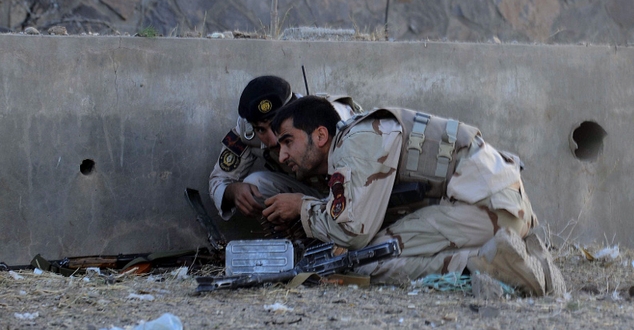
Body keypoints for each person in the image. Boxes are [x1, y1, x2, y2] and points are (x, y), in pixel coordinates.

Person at [262, 96, 565, 296]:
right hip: (503, 208)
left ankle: (492, 264)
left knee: (364, 262)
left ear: (320, 135)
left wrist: (301, 208)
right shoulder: (359, 135)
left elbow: (353, 233)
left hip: (488, 210)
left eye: (288, 142)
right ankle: (516, 251)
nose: (283, 155)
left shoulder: (355, 142)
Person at [208, 76, 360, 220]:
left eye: (277, 125)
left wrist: (304, 207)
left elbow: (363, 186)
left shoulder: (336, 118)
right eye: (261, 130)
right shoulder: (247, 132)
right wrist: (232, 191)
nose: (274, 141)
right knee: (254, 185)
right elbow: (219, 179)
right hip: (308, 192)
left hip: (350, 193)